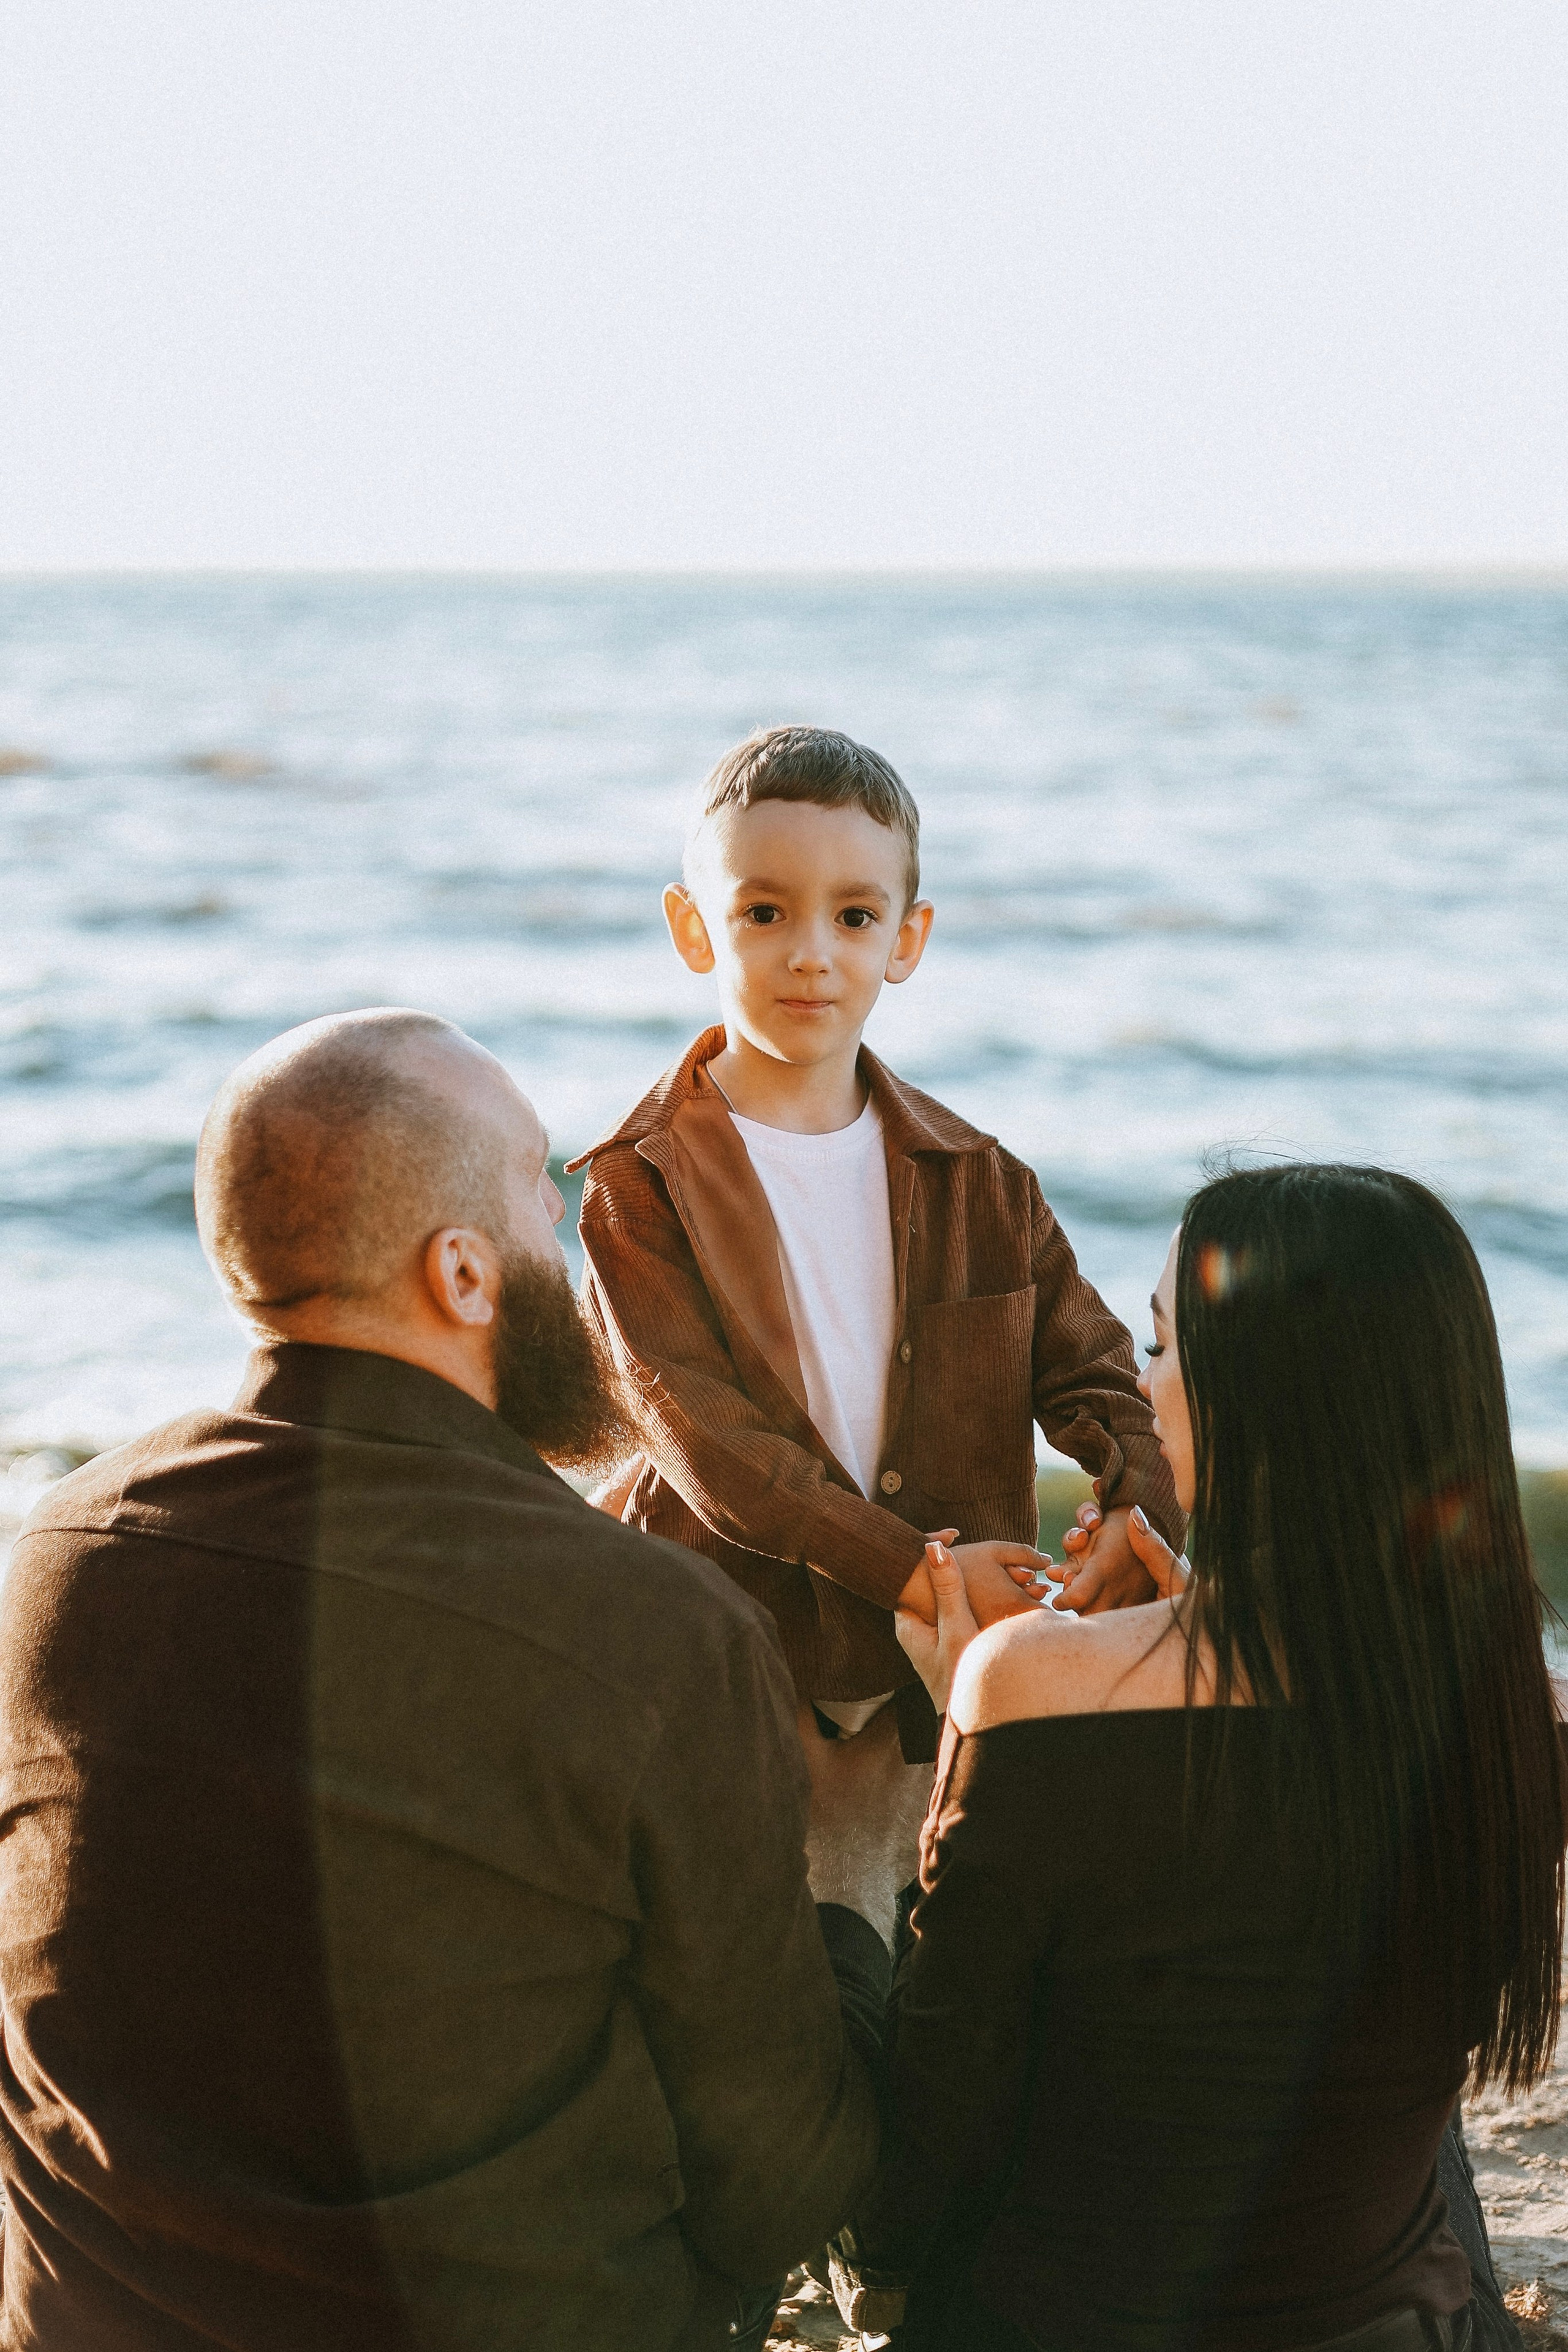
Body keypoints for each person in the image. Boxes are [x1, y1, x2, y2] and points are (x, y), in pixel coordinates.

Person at [0, 1008, 925, 2352]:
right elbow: (779, 2184)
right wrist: (848, 1874)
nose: (568, 1244)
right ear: (461, 1274)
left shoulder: (55, 1558)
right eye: (542, 1203)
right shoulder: (656, 1629)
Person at [835, 1163, 1566, 2351]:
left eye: (1165, 1347)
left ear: (1244, 1395)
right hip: (1386, 2324)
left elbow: (938, 2122)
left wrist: (969, 1721)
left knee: (829, 1961)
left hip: (1069, 2324)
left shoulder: (1025, 1680)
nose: (1140, 1380)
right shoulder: (1521, 1722)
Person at [571, 726, 1183, 1758]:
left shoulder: (980, 1179)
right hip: (727, 1673)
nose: (811, 951)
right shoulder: (639, 1185)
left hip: (937, 1684)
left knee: (924, 1914)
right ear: (692, 929)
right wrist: (914, 1568)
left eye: (855, 915)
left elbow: (1093, 1365)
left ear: (907, 938)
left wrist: (1137, 1506)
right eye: (763, 912)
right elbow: (711, 1444)